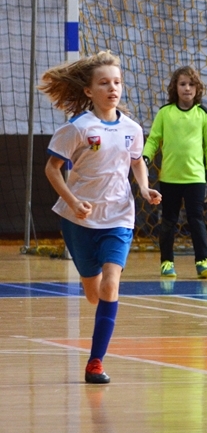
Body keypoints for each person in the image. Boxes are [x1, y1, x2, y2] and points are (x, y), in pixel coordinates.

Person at [39, 51, 162, 384]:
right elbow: (52, 169)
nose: (113, 88)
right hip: (78, 219)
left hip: (119, 216)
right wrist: (73, 201)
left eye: (117, 82)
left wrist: (144, 187)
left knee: (110, 284)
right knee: (94, 293)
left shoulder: (132, 129)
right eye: (105, 83)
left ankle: (95, 362)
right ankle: (94, 292)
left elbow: (136, 160)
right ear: (89, 91)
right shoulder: (78, 128)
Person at [142, 66, 207, 280]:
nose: (187, 88)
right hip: (170, 178)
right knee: (168, 221)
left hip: (195, 178)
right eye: (182, 84)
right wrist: (144, 159)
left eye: (191, 84)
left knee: (196, 219)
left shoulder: (204, 115)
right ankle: (167, 262)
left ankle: (202, 262)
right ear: (175, 87)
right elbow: (154, 140)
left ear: (197, 88)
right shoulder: (165, 113)